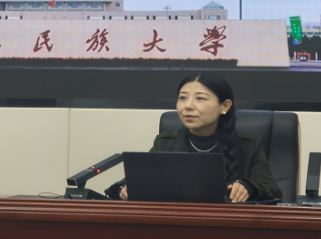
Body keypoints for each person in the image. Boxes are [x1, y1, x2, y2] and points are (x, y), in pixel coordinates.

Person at [108, 73, 281, 203]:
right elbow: (125, 185)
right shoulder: (164, 144)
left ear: (224, 106)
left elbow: (273, 191)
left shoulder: (248, 146)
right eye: (182, 98)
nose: (188, 106)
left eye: (200, 98)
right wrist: (124, 189)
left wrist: (248, 187)